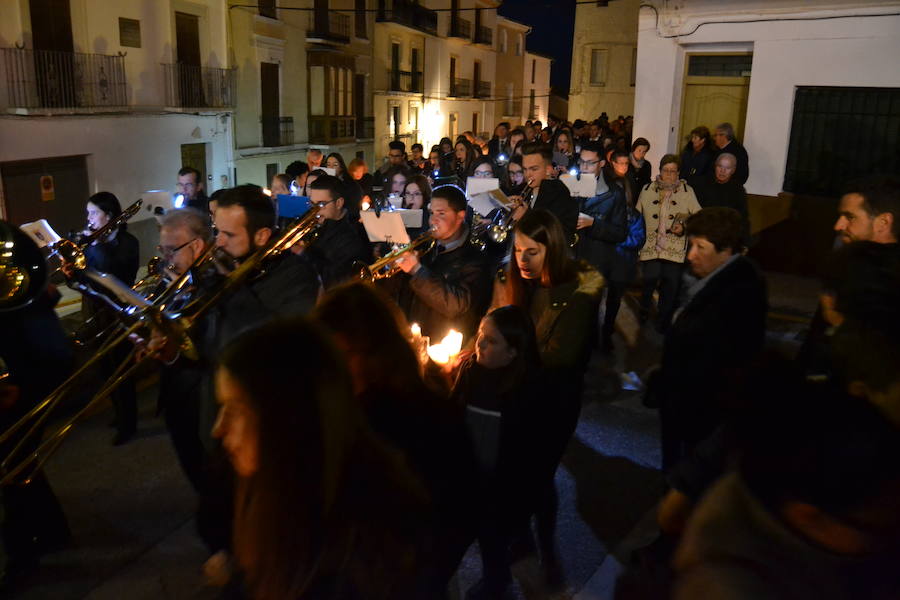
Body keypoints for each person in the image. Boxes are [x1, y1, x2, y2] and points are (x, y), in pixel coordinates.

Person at [212, 317, 435, 600]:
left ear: (286, 417)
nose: (217, 429)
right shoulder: (279, 496)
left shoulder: (359, 558)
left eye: (235, 409)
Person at [314, 282, 478, 592]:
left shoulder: (428, 420)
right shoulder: (328, 413)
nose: (334, 369)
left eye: (344, 355)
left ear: (376, 352)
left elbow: (459, 513)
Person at [673, 383, 900, 600]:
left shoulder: (775, 472)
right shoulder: (727, 587)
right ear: (810, 516)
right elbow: (669, 516)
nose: (891, 538)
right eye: (879, 530)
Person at [490, 209, 604, 589]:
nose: (523, 259)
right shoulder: (515, 281)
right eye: (518, 249)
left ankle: (543, 551)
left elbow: (562, 357)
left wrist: (507, 353)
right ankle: (522, 543)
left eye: (533, 251)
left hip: (553, 401)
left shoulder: (577, 295)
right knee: (518, 472)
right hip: (516, 396)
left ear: (552, 249)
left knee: (538, 474)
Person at [651, 207, 767, 472]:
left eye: (700, 247)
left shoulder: (741, 289)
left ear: (725, 249)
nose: (691, 255)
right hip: (679, 400)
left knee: (692, 475)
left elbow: (729, 357)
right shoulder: (699, 277)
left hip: (703, 410)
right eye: (690, 245)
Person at [451, 306, 544, 599]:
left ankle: (497, 580)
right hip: (467, 474)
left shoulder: (526, 393)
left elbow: (526, 453)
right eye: (480, 335)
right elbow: (454, 412)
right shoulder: (470, 370)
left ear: (513, 352)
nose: (479, 344)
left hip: (500, 485)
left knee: (492, 537)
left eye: (490, 341)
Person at [0, 223, 72, 589]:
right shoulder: (26, 294)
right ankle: (53, 532)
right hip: (34, 371)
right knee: (22, 461)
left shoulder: (20, 295)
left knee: (11, 467)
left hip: (30, 377)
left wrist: (12, 381)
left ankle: (22, 554)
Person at [381, 184, 491, 341]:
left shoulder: (475, 258)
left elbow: (456, 305)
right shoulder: (424, 246)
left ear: (460, 216)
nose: (433, 220)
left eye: (441, 213)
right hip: (413, 337)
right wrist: (393, 270)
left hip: (442, 344)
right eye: (431, 213)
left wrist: (417, 270)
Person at [80, 191, 140, 445]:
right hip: (96, 309)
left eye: (94, 213)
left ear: (109, 215)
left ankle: (129, 422)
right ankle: (118, 412)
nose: (89, 218)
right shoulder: (93, 241)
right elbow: (85, 276)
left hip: (118, 311)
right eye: (88, 213)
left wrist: (95, 246)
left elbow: (113, 273)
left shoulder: (127, 242)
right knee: (105, 368)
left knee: (120, 368)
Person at [635, 154, 702, 332]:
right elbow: (637, 215)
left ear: (678, 173)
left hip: (674, 247)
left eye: (673, 171)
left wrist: (684, 226)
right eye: (666, 170)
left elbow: (698, 217)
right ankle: (643, 310)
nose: (669, 175)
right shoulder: (647, 189)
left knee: (670, 285)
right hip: (651, 246)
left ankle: (663, 320)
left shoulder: (688, 192)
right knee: (649, 281)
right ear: (660, 171)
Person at [574, 142, 628, 350]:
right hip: (572, 257)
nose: (584, 168)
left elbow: (620, 232)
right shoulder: (571, 184)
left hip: (596, 261)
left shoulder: (614, 194)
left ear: (602, 163)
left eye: (590, 163)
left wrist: (594, 224)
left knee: (588, 313)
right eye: (581, 162)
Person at [305, 175, 371, 289]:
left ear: (339, 203)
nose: (315, 211)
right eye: (312, 204)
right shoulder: (315, 226)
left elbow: (335, 280)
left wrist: (303, 255)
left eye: (321, 204)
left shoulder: (351, 237)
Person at [513, 142, 578, 243]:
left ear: (548, 170)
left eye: (534, 169)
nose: (528, 174)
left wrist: (526, 217)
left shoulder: (559, 193)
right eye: (525, 169)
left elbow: (558, 235)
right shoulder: (525, 189)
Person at [693, 152, 751, 246]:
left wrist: (745, 243)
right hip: (703, 233)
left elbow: (743, 218)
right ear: (715, 166)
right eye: (720, 166)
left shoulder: (737, 189)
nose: (722, 171)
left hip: (726, 236)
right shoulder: (701, 184)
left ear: (733, 170)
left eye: (727, 168)